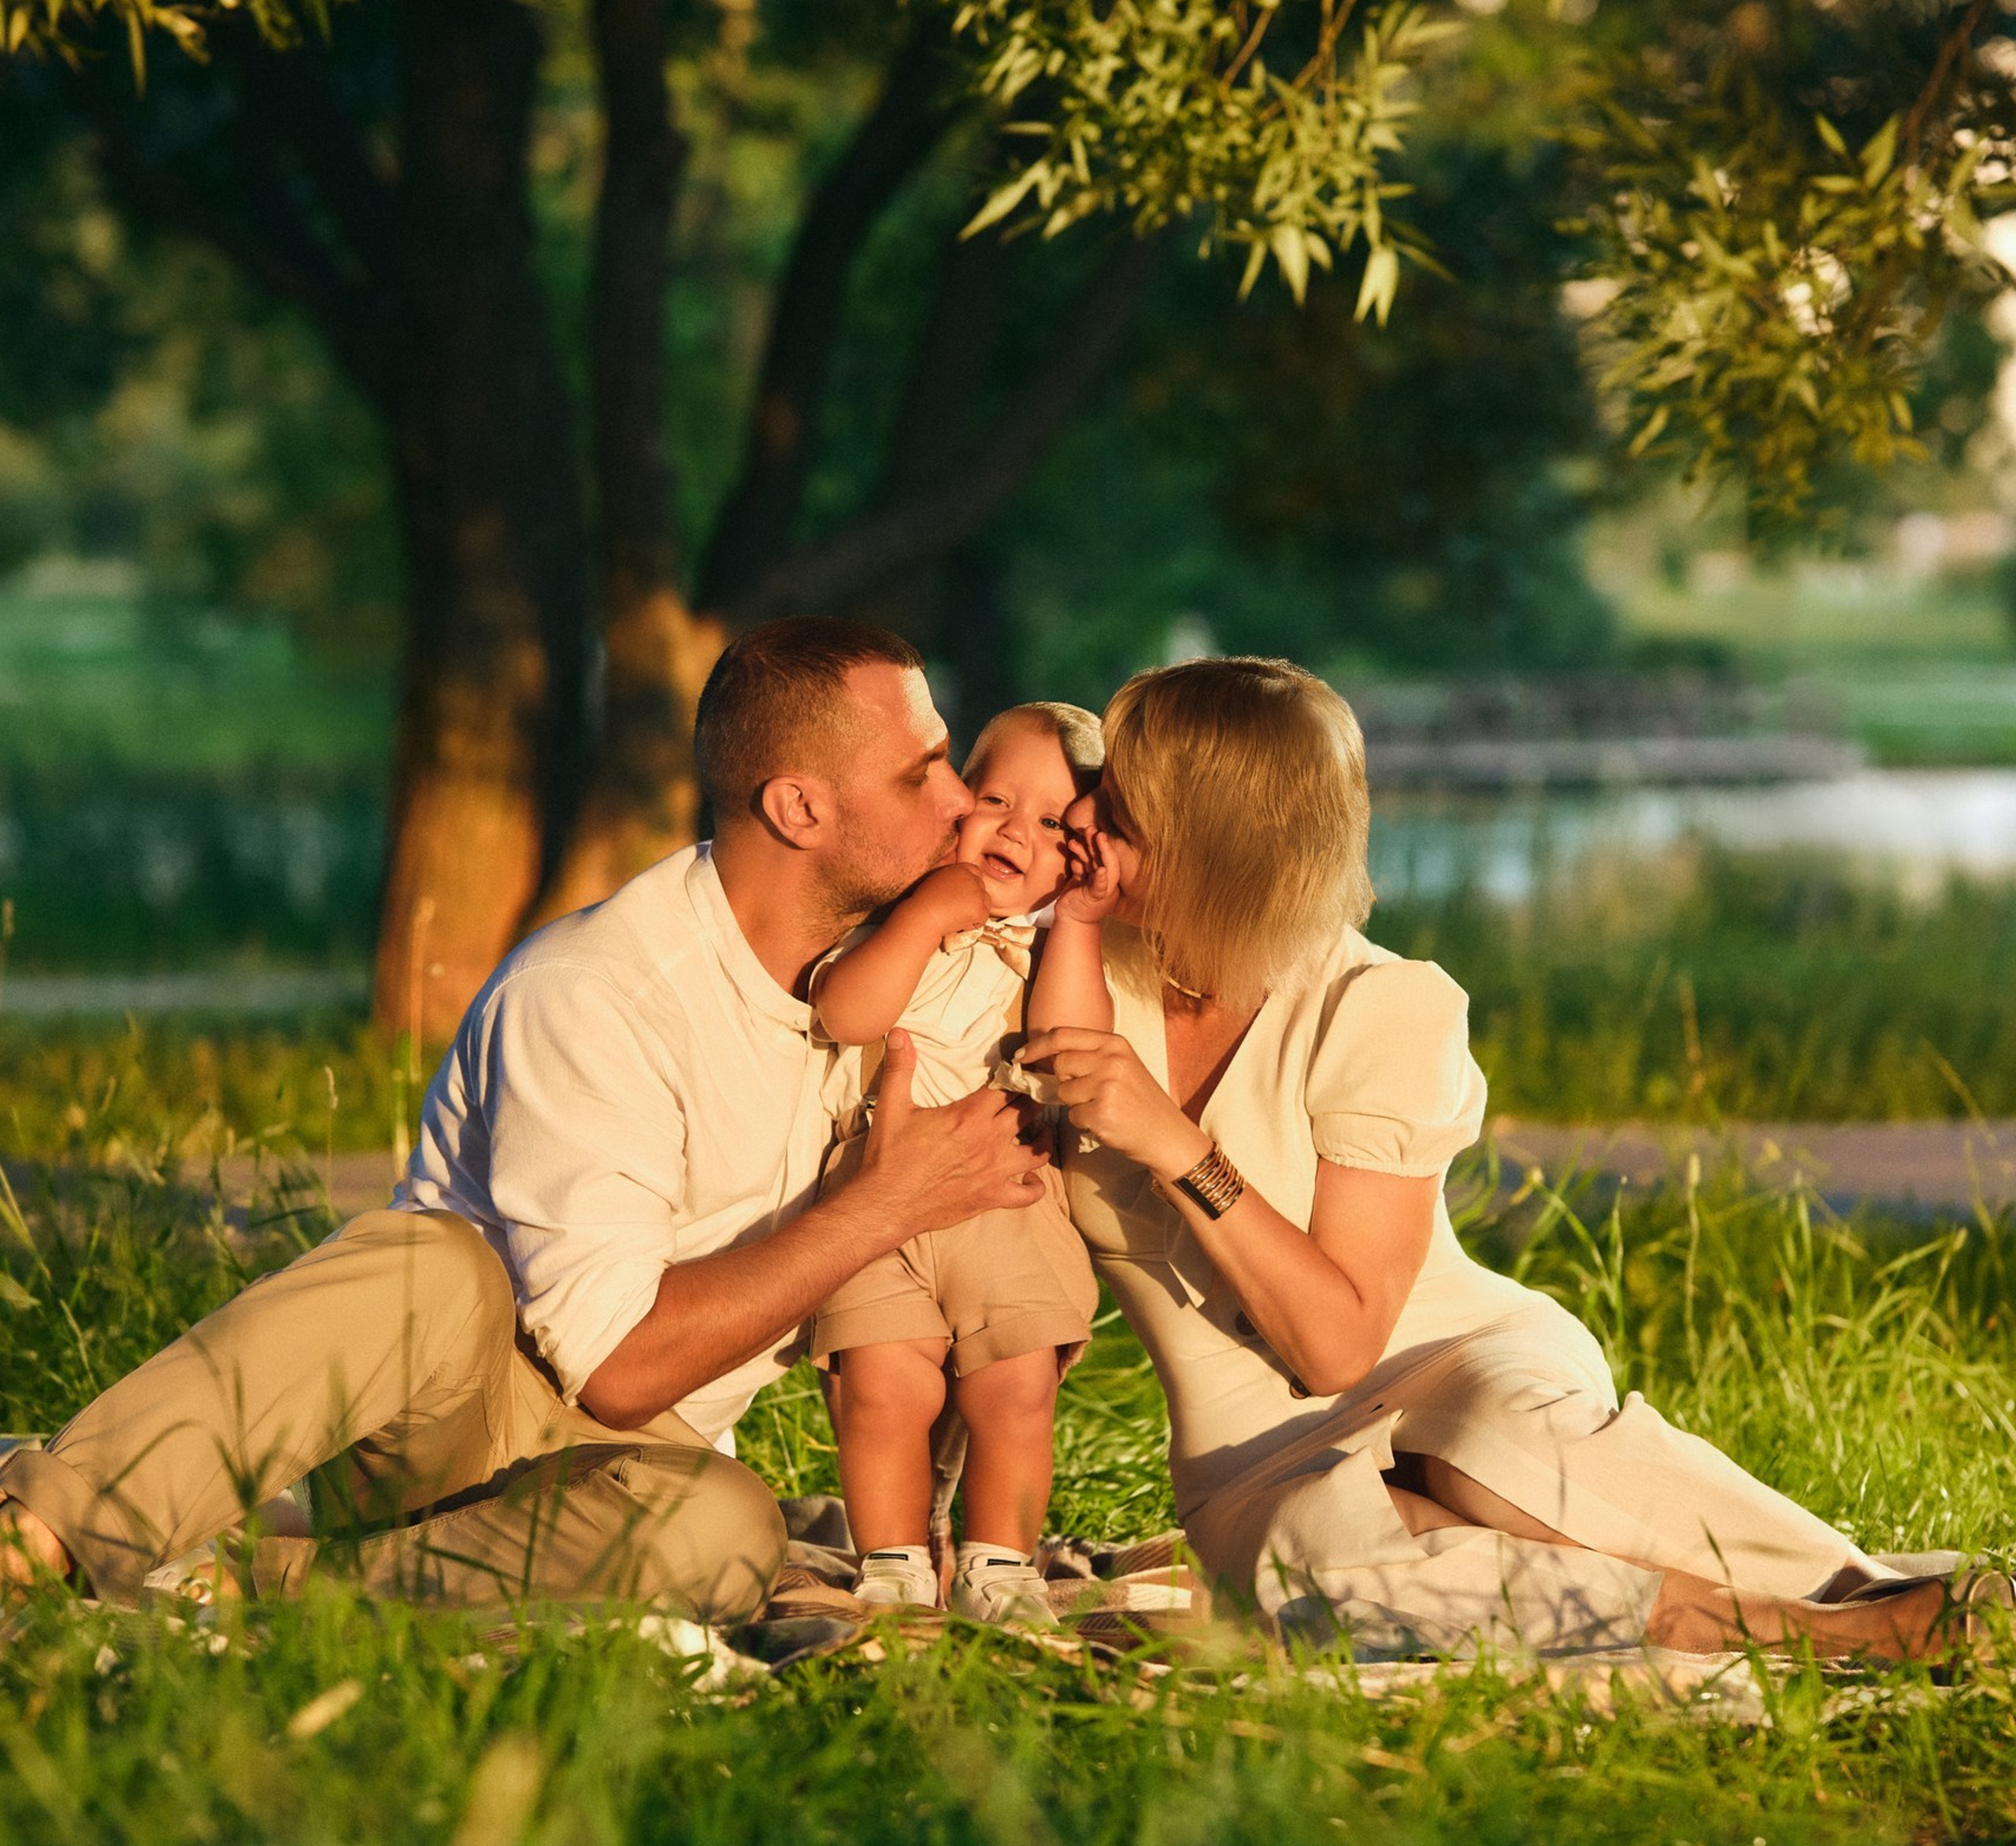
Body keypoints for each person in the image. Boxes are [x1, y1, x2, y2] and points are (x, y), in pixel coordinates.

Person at [0, 618, 1047, 1616]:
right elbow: (620, 1363)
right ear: (800, 811)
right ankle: (45, 1530)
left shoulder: (913, 970)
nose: (965, 805)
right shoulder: (599, 993)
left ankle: (268, 1588)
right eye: (923, 772)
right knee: (433, 1269)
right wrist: (882, 1204)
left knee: (726, 1531)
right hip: (460, 1410)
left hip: (632, 1467)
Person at [1022, 655, 2008, 1660]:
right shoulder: (1068, 970)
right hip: (1251, 1459)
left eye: (1123, 807)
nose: (1085, 818)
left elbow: (1338, 1347)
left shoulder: (1379, 1005)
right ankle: (1833, 1629)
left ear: (1213, 843)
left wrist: (1178, 1145)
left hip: (1444, 1358)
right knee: (1333, 1564)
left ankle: (1859, 1588)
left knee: (1501, 1452)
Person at [810, 703, 1105, 1625]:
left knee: (1014, 1389)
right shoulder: (899, 915)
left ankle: (998, 1562)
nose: (1019, 829)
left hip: (1008, 1200)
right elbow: (846, 1016)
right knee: (882, 1386)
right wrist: (930, 913)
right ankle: (893, 1562)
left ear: (1079, 856)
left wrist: (1080, 923)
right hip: (876, 1193)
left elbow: (1067, 1050)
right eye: (995, 797)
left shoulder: (1049, 946)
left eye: (1056, 823)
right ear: (952, 804)